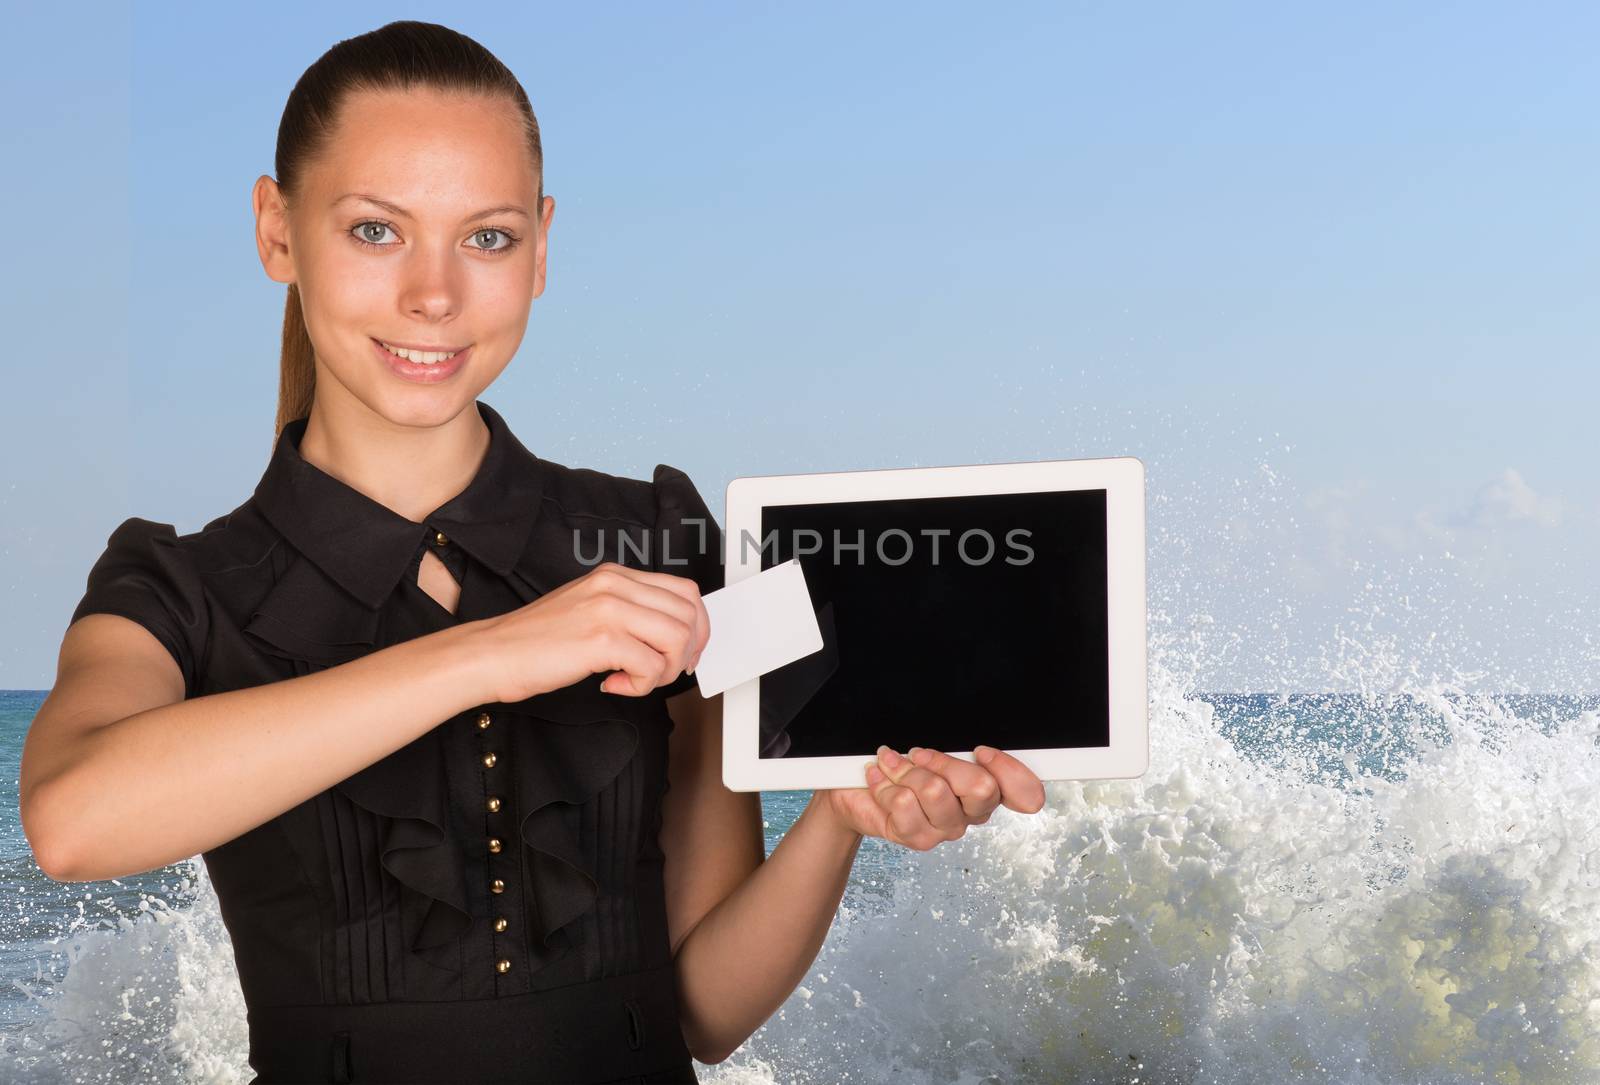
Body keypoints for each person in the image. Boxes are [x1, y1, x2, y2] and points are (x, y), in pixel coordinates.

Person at [18, 20, 1047, 1085]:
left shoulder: (660, 542)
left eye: (489, 237)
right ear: (277, 230)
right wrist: (493, 651)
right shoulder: (177, 587)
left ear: (543, 245)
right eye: (376, 230)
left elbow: (700, 1011)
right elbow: (72, 820)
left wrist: (836, 817)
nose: (434, 294)